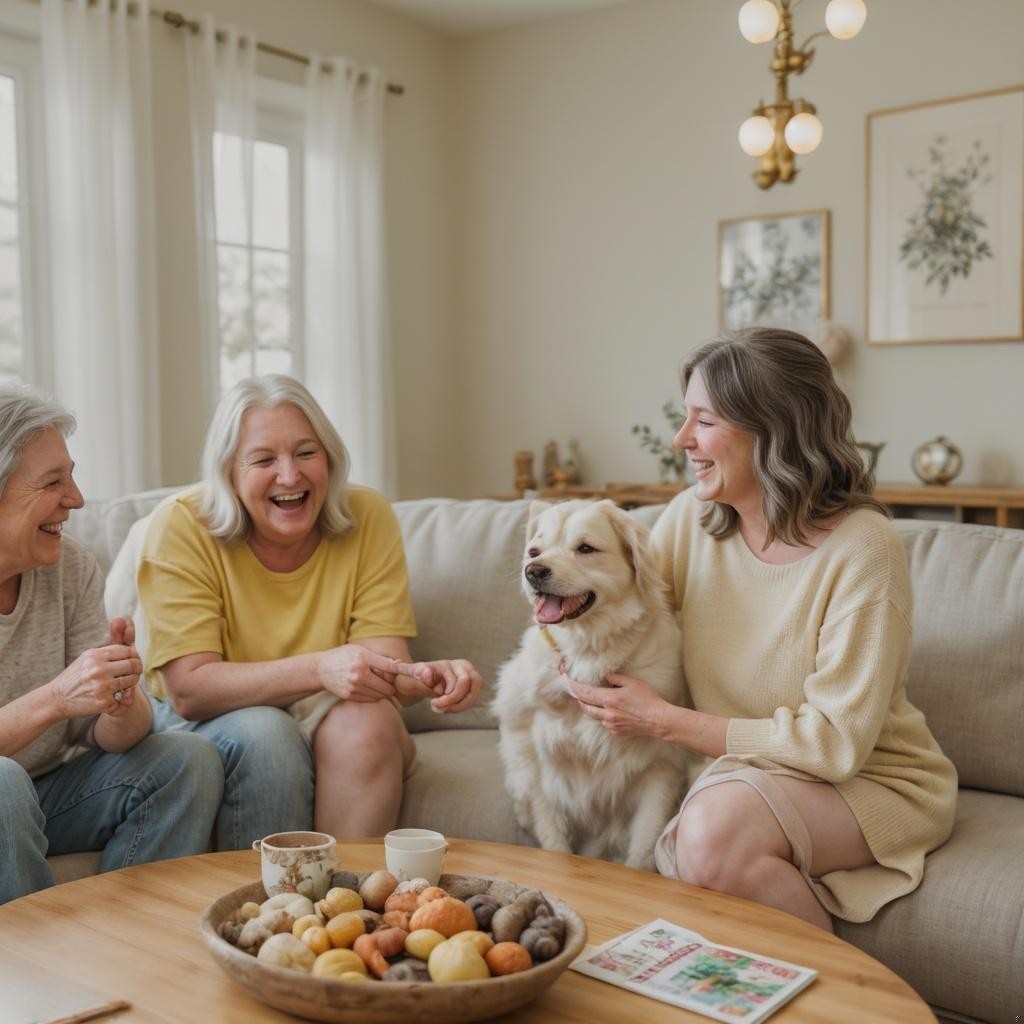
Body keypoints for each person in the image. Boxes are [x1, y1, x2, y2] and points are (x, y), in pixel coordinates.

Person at [568, 328, 956, 931]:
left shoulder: (864, 550)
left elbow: (834, 746)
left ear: (773, 429)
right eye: (684, 418)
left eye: (705, 421)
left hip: (871, 780)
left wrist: (666, 722)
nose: (682, 440)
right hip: (747, 772)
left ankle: (843, 1008)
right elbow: (617, 614)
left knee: (713, 836)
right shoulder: (692, 519)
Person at [137, 374, 482, 841]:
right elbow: (190, 690)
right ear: (228, 474)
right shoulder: (180, 524)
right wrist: (322, 668)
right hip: (203, 719)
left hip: (322, 709)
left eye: (306, 453)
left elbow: (381, 667)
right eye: (263, 459)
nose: (290, 475)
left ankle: (339, 902)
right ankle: (264, 908)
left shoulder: (367, 515)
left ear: (330, 457)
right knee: (266, 733)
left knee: (368, 719)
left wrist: (426, 676)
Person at [0, 384, 223, 904]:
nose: (75, 498)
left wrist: (120, 698)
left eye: (71, 475)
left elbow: (108, 735)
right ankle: (32, 975)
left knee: (187, 759)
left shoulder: (68, 565)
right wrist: (57, 697)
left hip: (46, 791)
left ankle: (128, 945)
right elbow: (59, 705)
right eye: (53, 482)